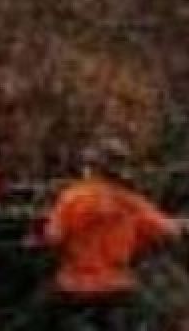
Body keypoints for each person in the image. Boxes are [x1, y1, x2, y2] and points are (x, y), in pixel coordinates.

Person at [43, 137, 186, 331]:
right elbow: (168, 231)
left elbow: (53, 237)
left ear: (89, 168)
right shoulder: (130, 202)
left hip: (73, 286)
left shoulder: (72, 198)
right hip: (117, 285)